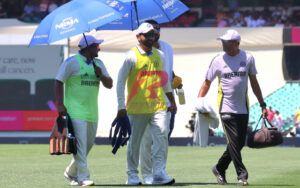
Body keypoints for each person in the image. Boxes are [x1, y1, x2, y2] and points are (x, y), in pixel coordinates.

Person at [197, 29, 267, 186]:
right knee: (235, 143)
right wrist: (199, 102)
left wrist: (262, 103)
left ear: (237, 43)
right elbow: (206, 82)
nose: (223, 44)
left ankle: (219, 167)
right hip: (226, 107)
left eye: (227, 42)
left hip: (243, 107)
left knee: (240, 142)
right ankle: (242, 175)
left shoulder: (248, 58)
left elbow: (254, 82)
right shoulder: (217, 60)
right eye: (222, 41)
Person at [116, 22, 177, 185]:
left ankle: (158, 173)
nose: (151, 37)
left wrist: (172, 100)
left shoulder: (160, 55)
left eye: (152, 34)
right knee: (134, 143)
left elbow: (164, 81)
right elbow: (120, 82)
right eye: (147, 35)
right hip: (136, 108)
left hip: (158, 106)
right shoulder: (130, 56)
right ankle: (132, 175)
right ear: (138, 37)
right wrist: (121, 106)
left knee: (162, 136)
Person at [55, 35, 113, 186]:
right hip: (75, 112)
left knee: (87, 145)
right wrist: (60, 104)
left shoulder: (99, 63)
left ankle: (71, 172)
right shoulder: (71, 62)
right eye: (96, 46)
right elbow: (58, 81)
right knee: (80, 145)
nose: (99, 48)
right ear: (88, 48)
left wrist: (100, 75)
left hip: (92, 112)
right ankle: (83, 178)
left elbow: (109, 84)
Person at [138, 20, 181, 185]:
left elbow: (166, 68)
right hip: (146, 100)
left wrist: (175, 79)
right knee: (147, 140)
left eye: (157, 29)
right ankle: (147, 174)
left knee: (163, 136)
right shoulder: (138, 52)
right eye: (151, 30)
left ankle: (159, 172)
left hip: (166, 98)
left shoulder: (167, 47)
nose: (155, 32)